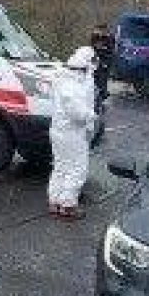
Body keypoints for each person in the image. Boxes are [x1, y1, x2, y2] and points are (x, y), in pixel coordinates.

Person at [48, 46, 98, 219]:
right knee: (77, 168)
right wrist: (92, 116)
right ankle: (68, 205)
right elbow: (77, 113)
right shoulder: (72, 86)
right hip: (72, 133)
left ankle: (56, 200)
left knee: (61, 166)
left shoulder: (63, 79)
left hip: (59, 130)